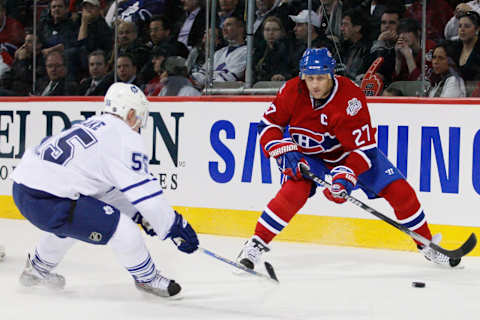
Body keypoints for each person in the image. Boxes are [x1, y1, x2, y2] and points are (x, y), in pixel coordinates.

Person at [235, 47, 460, 272]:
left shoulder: (350, 98)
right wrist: (281, 149)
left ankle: (427, 245)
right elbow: (269, 125)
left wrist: (345, 176)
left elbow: (364, 149)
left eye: (321, 78)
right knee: (294, 191)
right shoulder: (292, 89)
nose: (314, 84)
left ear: (332, 75)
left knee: (400, 192)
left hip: (348, 154)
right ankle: (256, 244)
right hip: (309, 155)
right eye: (309, 78)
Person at [11, 82, 199, 297]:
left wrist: (141, 215)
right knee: (123, 230)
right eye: (139, 116)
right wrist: (173, 225)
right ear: (129, 113)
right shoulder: (125, 138)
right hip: (51, 201)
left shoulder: (92, 123)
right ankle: (147, 278)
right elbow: (146, 194)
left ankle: (36, 270)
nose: (140, 124)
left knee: (76, 220)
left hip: (23, 190)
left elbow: (104, 191)